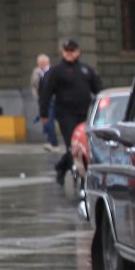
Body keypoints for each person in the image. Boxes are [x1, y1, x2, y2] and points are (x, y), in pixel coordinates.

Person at [37, 39, 104, 185]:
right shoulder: (56, 71)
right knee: (73, 145)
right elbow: (46, 92)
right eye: (66, 51)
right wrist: (44, 113)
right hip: (65, 114)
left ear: (78, 52)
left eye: (71, 51)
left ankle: (63, 167)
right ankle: (66, 169)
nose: (69, 54)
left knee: (84, 145)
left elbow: (99, 89)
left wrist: (105, 107)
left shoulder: (86, 69)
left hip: (84, 113)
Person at [29, 54, 57, 149]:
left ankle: (52, 142)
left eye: (42, 63)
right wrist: (36, 96)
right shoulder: (36, 71)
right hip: (41, 99)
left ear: (47, 63)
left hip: (51, 99)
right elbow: (33, 85)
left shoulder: (52, 71)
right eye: (39, 63)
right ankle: (51, 140)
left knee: (50, 119)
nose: (41, 65)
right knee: (45, 120)